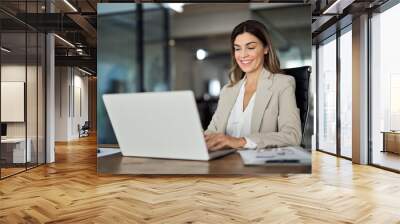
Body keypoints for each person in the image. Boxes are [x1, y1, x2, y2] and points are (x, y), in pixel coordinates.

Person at [204, 20, 301, 151]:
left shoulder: (282, 84)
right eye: (237, 48)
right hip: (224, 163)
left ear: (266, 48)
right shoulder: (228, 90)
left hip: (259, 166)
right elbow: (212, 132)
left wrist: (241, 142)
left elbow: (292, 136)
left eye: (250, 47)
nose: (243, 55)